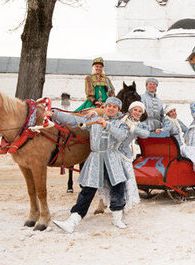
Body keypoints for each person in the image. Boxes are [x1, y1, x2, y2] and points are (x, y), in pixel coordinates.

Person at [47, 97, 132, 233]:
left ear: (118, 110)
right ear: (104, 107)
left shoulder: (122, 123)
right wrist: (55, 114)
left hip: (112, 158)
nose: (111, 108)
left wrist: (107, 125)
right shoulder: (94, 120)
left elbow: (122, 136)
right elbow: (74, 120)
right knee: (87, 190)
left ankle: (117, 218)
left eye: (114, 107)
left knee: (117, 188)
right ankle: (72, 221)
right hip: (96, 159)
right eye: (108, 105)